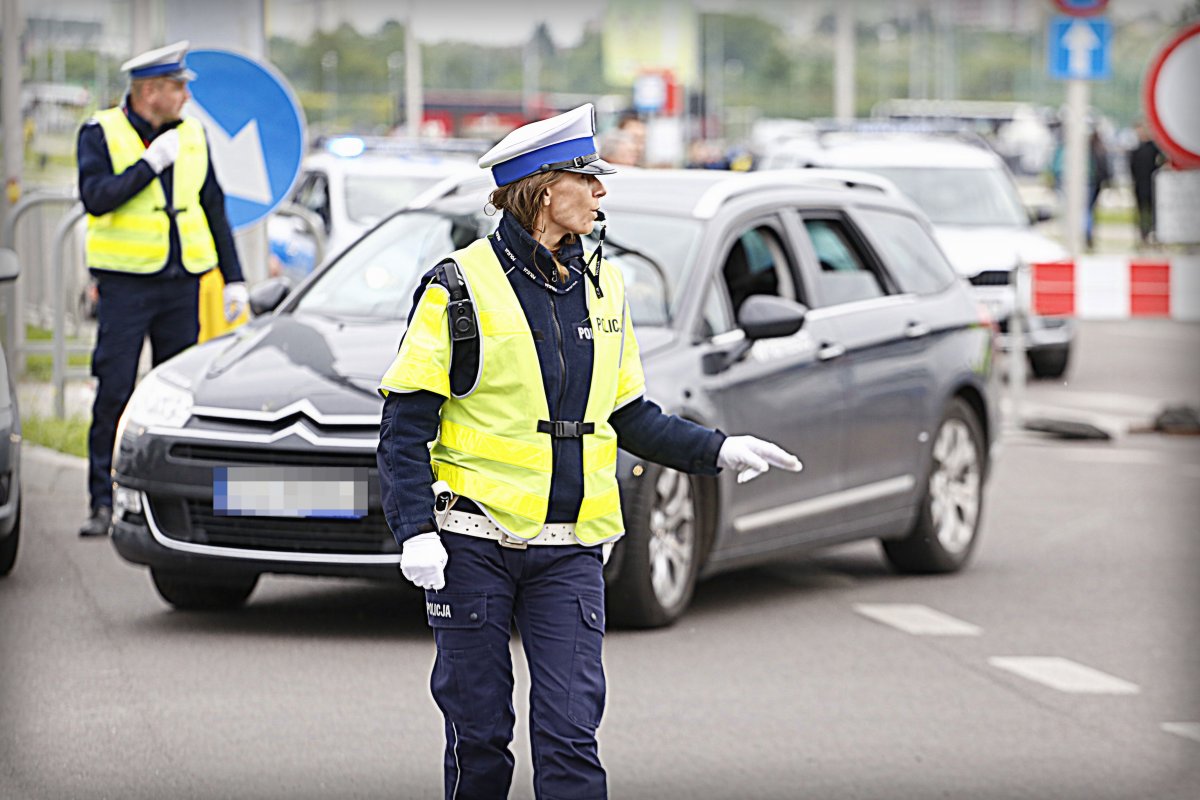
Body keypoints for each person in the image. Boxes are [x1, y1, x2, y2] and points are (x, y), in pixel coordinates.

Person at [376, 103, 801, 799]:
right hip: (473, 545)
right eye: (589, 179)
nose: (603, 193)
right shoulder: (458, 287)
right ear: (546, 189)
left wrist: (719, 450)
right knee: (479, 742)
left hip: (570, 549)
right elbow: (405, 423)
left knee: (572, 740)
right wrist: (416, 531)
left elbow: (630, 415)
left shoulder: (606, 285)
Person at [76, 41, 247, 537]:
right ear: (150, 91)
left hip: (181, 285)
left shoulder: (192, 134)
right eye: (178, 88)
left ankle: (177, 505)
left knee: (179, 396)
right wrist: (147, 166)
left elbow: (213, 206)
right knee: (114, 391)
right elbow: (96, 198)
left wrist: (233, 277)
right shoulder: (99, 132)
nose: (185, 99)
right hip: (126, 287)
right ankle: (101, 501)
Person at [1128, 121, 1164, 247]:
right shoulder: (1136, 149)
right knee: (1142, 211)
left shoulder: (1154, 149)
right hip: (1140, 185)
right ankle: (1144, 234)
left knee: (1154, 212)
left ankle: (1154, 234)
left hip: (1153, 186)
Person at [1084, 129, 1111, 251]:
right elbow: (1105, 167)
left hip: (1088, 182)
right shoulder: (1101, 150)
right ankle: (1088, 234)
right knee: (1090, 210)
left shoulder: (1086, 152)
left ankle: (1086, 233)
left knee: (1085, 210)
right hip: (1096, 183)